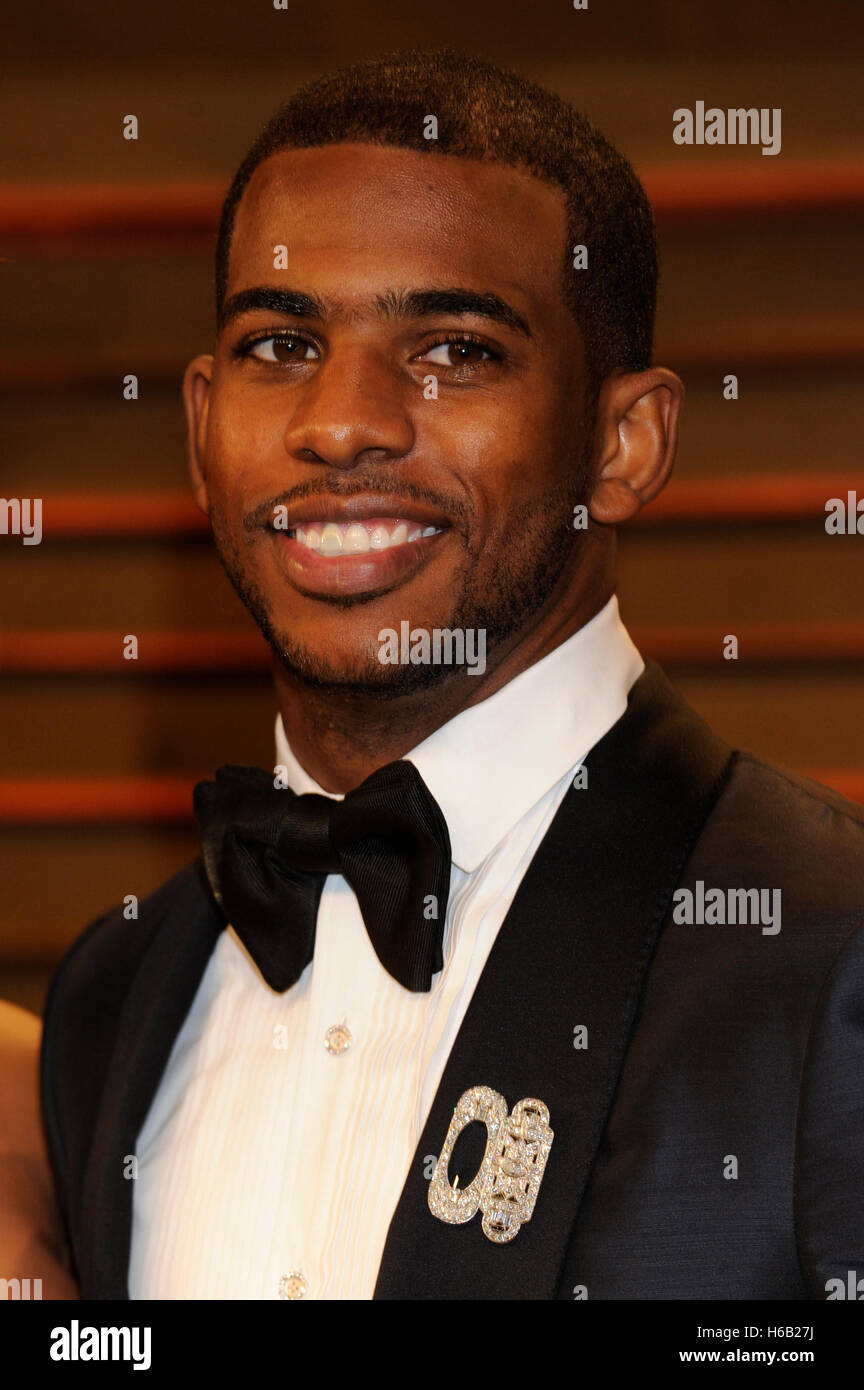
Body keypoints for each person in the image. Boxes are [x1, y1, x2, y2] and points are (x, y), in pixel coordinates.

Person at [40, 48, 864, 1301]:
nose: (344, 419)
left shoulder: (830, 950)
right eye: (280, 341)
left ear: (623, 442)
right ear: (202, 429)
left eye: (457, 349)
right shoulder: (108, 997)